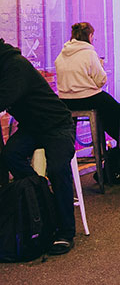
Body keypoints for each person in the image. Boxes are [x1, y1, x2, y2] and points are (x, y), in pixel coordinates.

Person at [0, 39, 76, 255]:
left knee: (58, 169)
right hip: (32, 128)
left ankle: (66, 232)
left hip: (57, 124)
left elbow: (4, 98)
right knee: (10, 155)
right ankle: (42, 198)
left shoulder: (15, 65)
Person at [54, 22, 120, 182]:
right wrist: (100, 65)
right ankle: (119, 140)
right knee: (115, 109)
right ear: (89, 36)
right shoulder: (89, 54)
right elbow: (101, 81)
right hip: (87, 98)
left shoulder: (62, 54)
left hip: (65, 101)